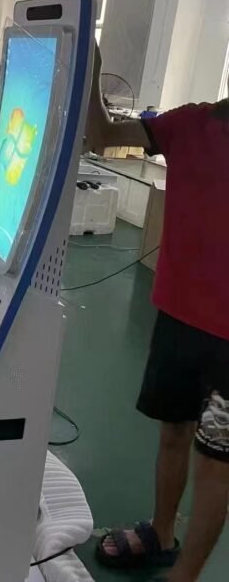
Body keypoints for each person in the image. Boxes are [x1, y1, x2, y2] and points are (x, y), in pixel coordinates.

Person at [86, 45, 229, 582]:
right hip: (180, 318)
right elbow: (102, 136)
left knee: (216, 461)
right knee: (174, 430)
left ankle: (184, 575)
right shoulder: (188, 124)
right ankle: (162, 534)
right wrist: (90, 71)